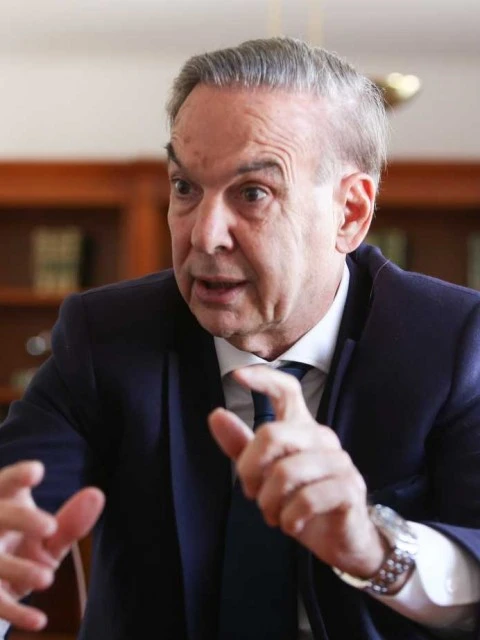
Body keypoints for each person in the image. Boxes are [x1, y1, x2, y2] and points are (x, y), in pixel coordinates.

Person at [0, 37, 479, 640]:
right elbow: (17, 505)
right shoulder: (106, 337)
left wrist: (373, 547)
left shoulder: (453, 341)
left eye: (253, 193)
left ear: (351, 213)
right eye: (184, 187)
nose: (205, 235)